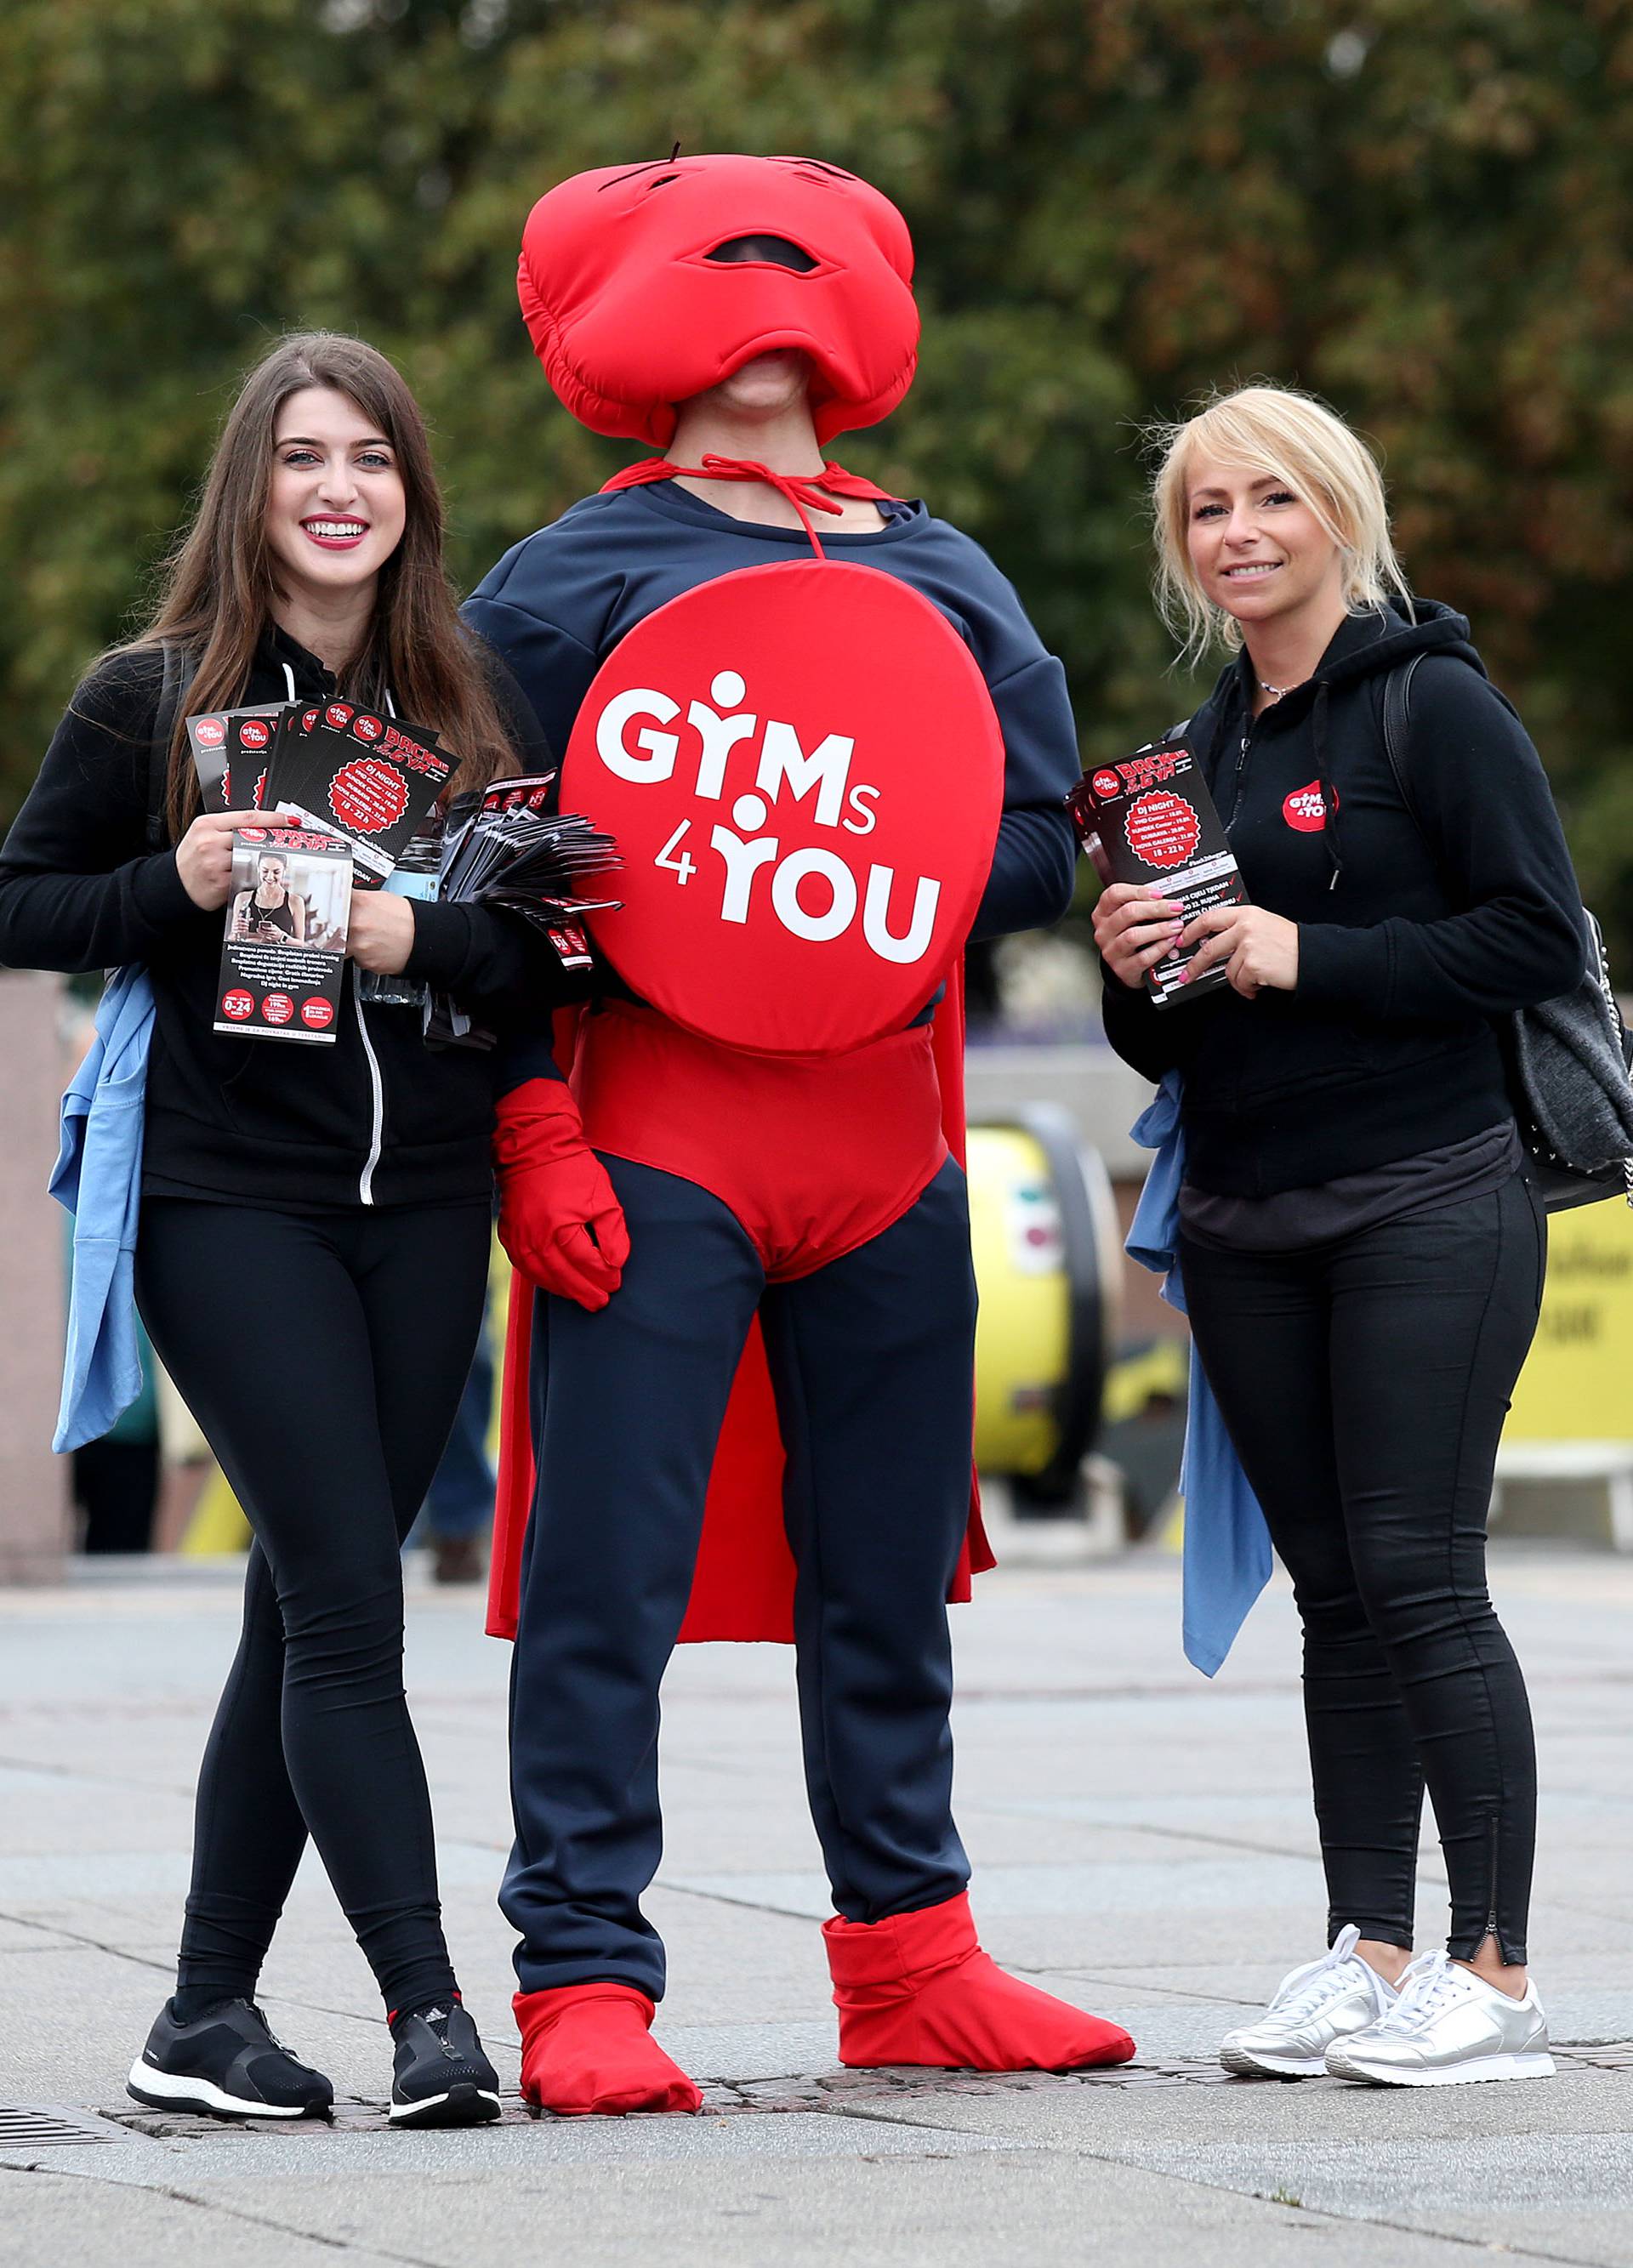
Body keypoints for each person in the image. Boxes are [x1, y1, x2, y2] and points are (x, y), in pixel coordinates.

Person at [466, 151, 1136, 2117]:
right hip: (653, 1128)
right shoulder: (562, 575)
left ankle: (911, 1956)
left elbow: (1032, 831)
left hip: (886, 1143)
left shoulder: (946, 565)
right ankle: (581, 1975)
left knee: (883, 1572)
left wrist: (917, 865)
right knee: (608, 1568)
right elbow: (471, 870)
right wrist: (528, 1125)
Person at [0, 331, 580, 2126]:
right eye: (304, 456)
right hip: (221, 1199)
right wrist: (166, 889)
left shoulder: (475, 713)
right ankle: (431, 2014)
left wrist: (428, 942)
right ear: (251, 486)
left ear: (411, 495)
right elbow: (25, 903)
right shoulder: (149, 696)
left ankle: (198, 2016)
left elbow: (550, 959)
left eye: (376, 459)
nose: (341, 488)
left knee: (297, 1603)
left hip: (423, 1209)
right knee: (347, 1599)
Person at [1095, 383, 1583, 2087]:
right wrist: (1129, 953)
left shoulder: (1433, 705)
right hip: (1245, 1210)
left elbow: (1532, 935)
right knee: (1336, 1600)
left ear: (1339, 511)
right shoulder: (1200, 756)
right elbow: (1168, 1040)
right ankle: (1370, 1949)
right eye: (1208, 511)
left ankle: (1497, 1972)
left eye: (1272, 500)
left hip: (1427, 1194)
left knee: (1423, 1576)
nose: (1240, 533)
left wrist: (1310, 957)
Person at [230, 851, 307, 945]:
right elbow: (231, 939)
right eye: (265, 871)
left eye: (276, 872)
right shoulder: (242, 898)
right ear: (258, 869)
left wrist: (282, 936)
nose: (270, 877)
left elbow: (301, 944)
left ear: (284, 871)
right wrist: (236, 933)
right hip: (248, 957)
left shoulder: (295, 901)